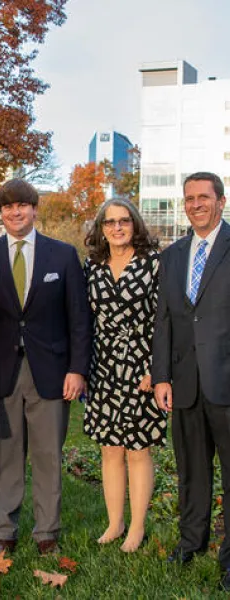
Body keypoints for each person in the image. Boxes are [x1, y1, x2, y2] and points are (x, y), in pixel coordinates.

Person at [0, 178, 91, 556]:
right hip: (2, 372)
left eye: (23, 206)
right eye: (8, 207)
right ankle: (4, 531)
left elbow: (79, 318)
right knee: (5, 456)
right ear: (1, 213)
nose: (16, 212)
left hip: (51, 372)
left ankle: (47, 532)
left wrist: (77, 369)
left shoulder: (62, 256)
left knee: (47, 456)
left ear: (35, 208)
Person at [152, 172, 230, 590]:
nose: (195, 204)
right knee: (192, 473)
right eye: (189, 198)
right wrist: (162, 376)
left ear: (220, 200)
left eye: (203, 197)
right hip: (184, 382)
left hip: (226, 381)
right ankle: (191, 543)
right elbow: (163, 320)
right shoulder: (174, 255)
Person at [84, 198, 165, 552]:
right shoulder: (93, 267)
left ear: (135, 225)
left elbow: (165, 319)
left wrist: (156, 367)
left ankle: (137, 526)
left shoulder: (152, 264)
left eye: (124, 221)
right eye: (110, 222)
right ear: (101, 229)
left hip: (141, 366)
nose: (117, 227)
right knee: (110, 449)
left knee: (137, 450)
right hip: (102, 367)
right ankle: (115, 522)